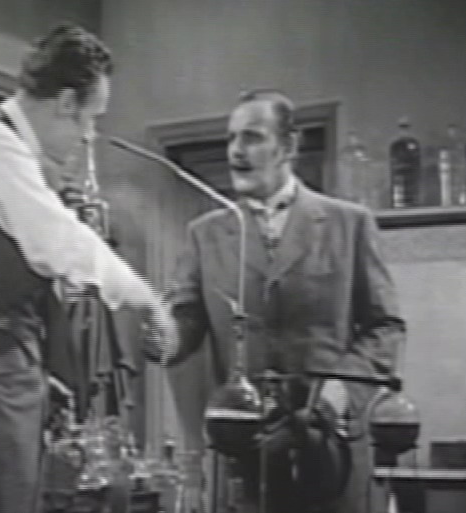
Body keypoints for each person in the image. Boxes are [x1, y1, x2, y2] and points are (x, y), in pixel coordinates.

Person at [0, 23, 176, 513]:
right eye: (90, 119)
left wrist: (29, 365)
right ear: (66, 103)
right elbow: (63, 245)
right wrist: (148, 300)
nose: (89, 137)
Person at [162, 89, 405, 513]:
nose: (236, 151)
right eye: (231, 138)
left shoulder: (349, 224)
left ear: (288, 146)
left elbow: (385, 328)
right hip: (246, 456)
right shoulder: (206, 234)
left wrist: (338, 393)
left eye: (252, 137)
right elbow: (182, 328)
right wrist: (147, 321)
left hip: (331, 452)